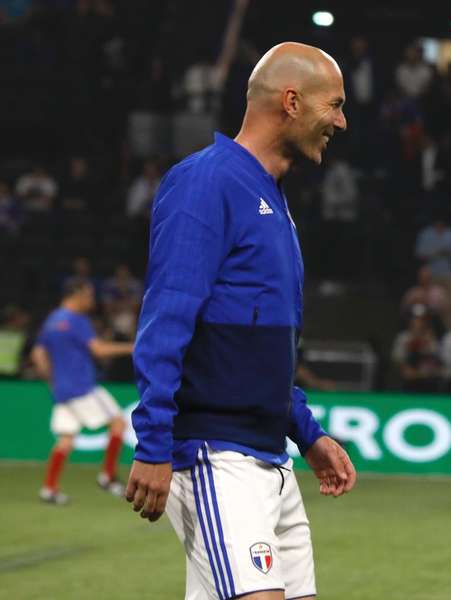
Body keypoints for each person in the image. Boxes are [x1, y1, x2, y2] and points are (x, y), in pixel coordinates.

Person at [125, 42, 357, 600]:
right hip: (213, 453)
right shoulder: (207, 182)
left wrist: (306, 431)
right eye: (335, 105)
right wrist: (154, 442)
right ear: (293, 101)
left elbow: (258, 346)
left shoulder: (271, 199)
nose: (342, 122)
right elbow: (167, 317)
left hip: (269, 461)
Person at [30, 278, 134, 505]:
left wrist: (52, 381)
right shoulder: (77, 320)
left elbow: (38, 354)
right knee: (118, 423)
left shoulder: (52, 320)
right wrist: (132, 347)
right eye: (88, 295)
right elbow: (98, 350)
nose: (91, 300)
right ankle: (107, 476)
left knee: (66, 440)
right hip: (83, 387)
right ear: (76, 294)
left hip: (61, 391)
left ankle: (49, 489)